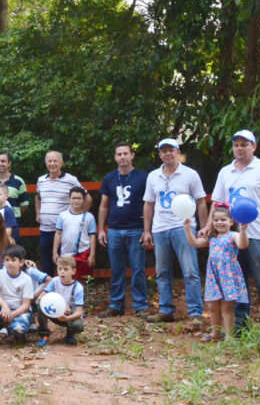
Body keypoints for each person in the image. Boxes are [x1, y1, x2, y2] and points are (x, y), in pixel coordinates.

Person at [204, 130, 260, 338]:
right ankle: (239, 327)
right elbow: (217, 202)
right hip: (231, 237)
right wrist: (209, 226)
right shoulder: (226, 172)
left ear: (254, 146)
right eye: (236, 145)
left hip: (258, 234)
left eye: (244, 144)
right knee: (236, 281)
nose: (239, 148)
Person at [142, 138, 208, 323]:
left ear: (178, 152)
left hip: (183, 227)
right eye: (164, 151)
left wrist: (204, 228)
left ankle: (195, 313)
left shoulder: (190, 175)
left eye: (171, 150)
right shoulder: (153, 176)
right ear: (160, 154)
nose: (167, 154)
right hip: (160, 228)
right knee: (162, 272)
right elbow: (148, 204)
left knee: (190, 271)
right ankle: (165, 310)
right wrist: (147, 230)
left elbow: (201, 202)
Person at [98, 143, 149, 317]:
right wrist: (101, 230)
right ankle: (116, 305)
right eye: (119, 154)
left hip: (136, 229)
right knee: (116, 270)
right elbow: (104, 205)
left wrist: (147, 229)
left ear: (132, 155)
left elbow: (148, 204)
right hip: (113, 230)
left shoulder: (143, 178)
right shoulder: (109, 178)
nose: (122, 157)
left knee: (138, 269)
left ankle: (140, 305)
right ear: (115, 157)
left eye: (125, 153)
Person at [185, 206, 249, 342]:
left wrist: (243, 231)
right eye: (216, 220)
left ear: (231, 222)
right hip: (213, 276)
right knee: (212, 306)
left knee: (227, 307)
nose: (219, 222)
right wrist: (187, 229)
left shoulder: (234, 235)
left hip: (228, 276)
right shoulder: (212, 237)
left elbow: (243, 245)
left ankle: (229, 336)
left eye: (223, 220)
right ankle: (215, 333)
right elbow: (195, 243)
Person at [35, 151, 83, 276]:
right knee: (47, 262)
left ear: (61, 162)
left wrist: (80, 215)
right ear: (46, 163)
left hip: (64, 230)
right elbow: (38, 197)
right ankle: (49, 290)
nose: (52, 164)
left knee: (65, 262)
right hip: (45, 229)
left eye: (55, 161)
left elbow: (85, 196)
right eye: (49, 161)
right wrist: (37, 213)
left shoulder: (70, 180)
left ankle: (66, 289)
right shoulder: (41, 180)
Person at [0, 245, 35, 346]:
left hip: (18, 311)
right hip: (3, 310)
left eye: (13, 260)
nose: (10, 263)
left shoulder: (26, 279)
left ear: (21, 262)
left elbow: (26, 305)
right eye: (7, 260)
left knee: (18, 331)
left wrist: (12, 315)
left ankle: (9, 329)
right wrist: (4, 306)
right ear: (3, 262)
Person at [35, 255, 86, 347]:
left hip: (69, 316)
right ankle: (44, 335)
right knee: (40, 305)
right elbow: (41, 296)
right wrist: (61, 303)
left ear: (73, 271)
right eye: (60, 269)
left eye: (66, 269)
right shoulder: (55, 281)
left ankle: (70, 335)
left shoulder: (78, 288)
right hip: (55, 312)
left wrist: (67, 318)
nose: (62, 272)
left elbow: (79, 312)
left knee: (77, 325)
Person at [53, 187, 97, 281]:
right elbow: (58, 234)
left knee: (83, 279)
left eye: (79, 198)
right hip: (66, 253)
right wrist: (55, 252)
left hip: (83, 252)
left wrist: (92, 254)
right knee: (65, 278)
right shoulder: (63, 216)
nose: (76, 201)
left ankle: (82, 295)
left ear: (84, 200)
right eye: (73, 198)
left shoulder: (89, 217)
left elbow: (92, 236)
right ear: (69, 199)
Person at [0, 152, 29, 220]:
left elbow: (24, 205)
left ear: (9, 163)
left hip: (13, 223)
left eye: (3, 161)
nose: (0, 164)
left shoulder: (18, 181)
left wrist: (14, 216)